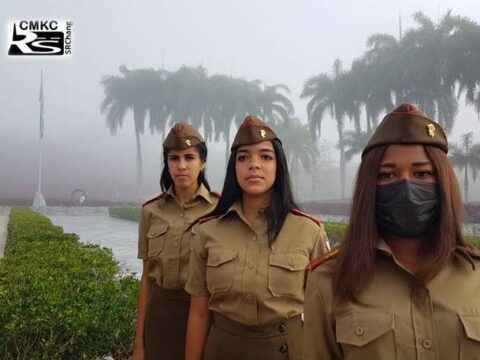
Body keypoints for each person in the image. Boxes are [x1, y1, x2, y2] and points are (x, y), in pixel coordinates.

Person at [304, 103, 480, 360]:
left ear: (443, 183)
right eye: (387, 175)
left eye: (422, 173)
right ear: (369, 188)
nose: (406, 186)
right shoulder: (330, 281)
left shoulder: (475, 276)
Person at [185, 115, 329, 360]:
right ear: (234, 169)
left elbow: (326, 315)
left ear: (278, 167)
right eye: (243, 157)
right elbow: (199, 313)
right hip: (222, 350)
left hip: (288, 350)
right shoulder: (207, 231)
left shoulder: (309, 230)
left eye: (265, 156)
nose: (254, 164)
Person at [132, 122, 219, 360]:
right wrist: (139, 345)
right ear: (167, 163)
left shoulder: (220, 211)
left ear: (202, 163)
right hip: (160, 317)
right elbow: (147, 280)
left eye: (189, 158)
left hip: (204, 314)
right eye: (174, 158)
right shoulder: (151, 211)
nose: (182, 166)